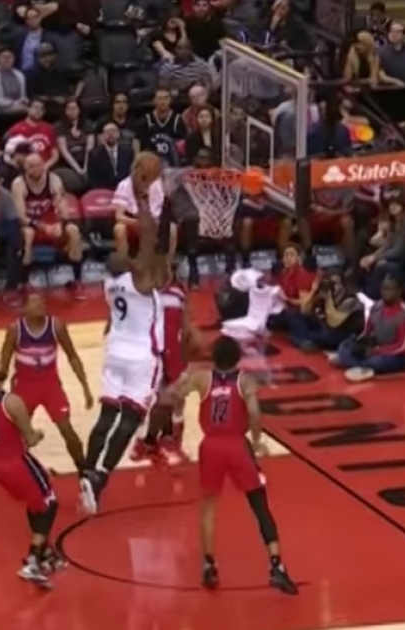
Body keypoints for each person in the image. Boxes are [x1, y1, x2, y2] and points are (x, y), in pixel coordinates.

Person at [169, 335, 298, 594]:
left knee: (208, 507)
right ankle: (277, 566)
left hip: (211, 446)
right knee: (259, 505)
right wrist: (257, 440)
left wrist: (178, 418)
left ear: (213, 357)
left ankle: (209, 565)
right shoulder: (245, 381)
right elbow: (255, 412)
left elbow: (175, 395)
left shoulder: (202, 378)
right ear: (238, 358)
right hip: (237, 445)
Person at [79, 152, 171, 515]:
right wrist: (142, 196)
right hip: (140, 357)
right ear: (129, 266)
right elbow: (148, 238)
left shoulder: (110, 285)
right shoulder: (139, 281)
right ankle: (100, 476)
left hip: (114, 353)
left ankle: (86, 470)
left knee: (105, 418)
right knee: (129, 420)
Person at [0, 294, 96, 488]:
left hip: (50, 385)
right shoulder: (15, 330)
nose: (40, 305)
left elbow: (73, 356)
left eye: (42, 302)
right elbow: (3, 364)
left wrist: (85, 387)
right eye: (34, 302)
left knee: (66, 429)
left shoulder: (56, 326)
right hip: (24, 387)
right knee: (10, 434)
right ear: (25, 308)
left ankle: (84, 471)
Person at [0, 353, 65, 587]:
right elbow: (30, 439)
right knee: (50, 503)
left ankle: (46, 554)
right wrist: (39, 433)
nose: (2, 365)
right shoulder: (11, 401)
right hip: (18, 462)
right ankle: (33, 560)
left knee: (35, 503)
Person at [134, 268, 195, 465]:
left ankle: (160, 441)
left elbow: (186, 327)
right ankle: (154, 441)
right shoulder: (145, 291)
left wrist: (184, 355)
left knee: (173, 399)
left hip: (170, 350)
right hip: (153, 350)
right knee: (163, 399)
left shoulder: (177, 291)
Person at [10, 153, 85, 299]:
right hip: (32, 224)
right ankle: (24, 284)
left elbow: (63, 208)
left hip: (52, 222)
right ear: (25, 168)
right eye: (31, 166)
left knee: (73, 230)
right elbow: (21, 217)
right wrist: (44, 227)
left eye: (38, 165)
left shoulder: (54, 180)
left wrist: (61, 224)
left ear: (44, 165)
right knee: (28, 234)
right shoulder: (19, 184)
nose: (36, 169)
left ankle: (77, 280)